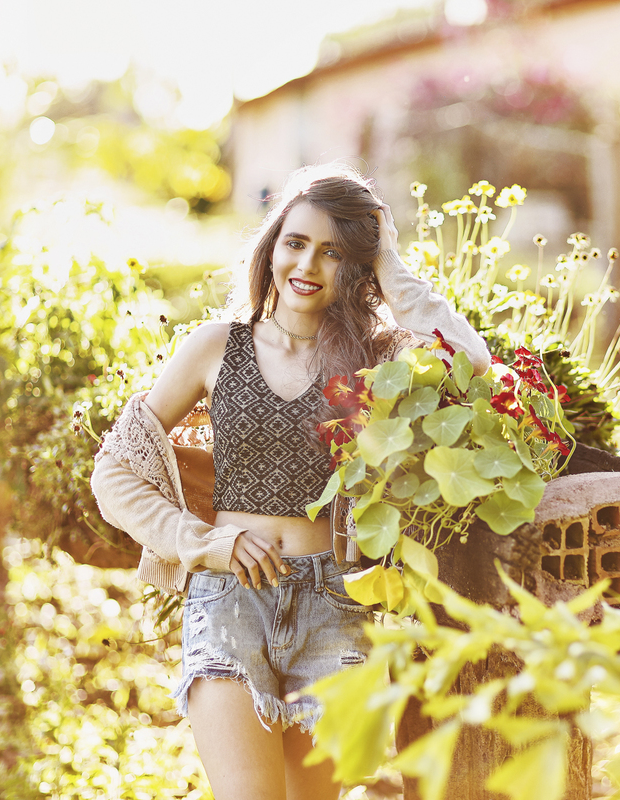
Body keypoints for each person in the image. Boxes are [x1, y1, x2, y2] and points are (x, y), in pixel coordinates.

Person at [89, 163, 490, 800]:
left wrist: (390, 260)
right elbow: (113, 469)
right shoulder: (216, 347)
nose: (307, 264)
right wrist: (200, 542)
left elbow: (471, 366)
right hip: (227, 598)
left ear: (357, 268)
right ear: (271, 246)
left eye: (334, 253)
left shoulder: (379, 359)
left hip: (337, 606)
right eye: (295, 243)